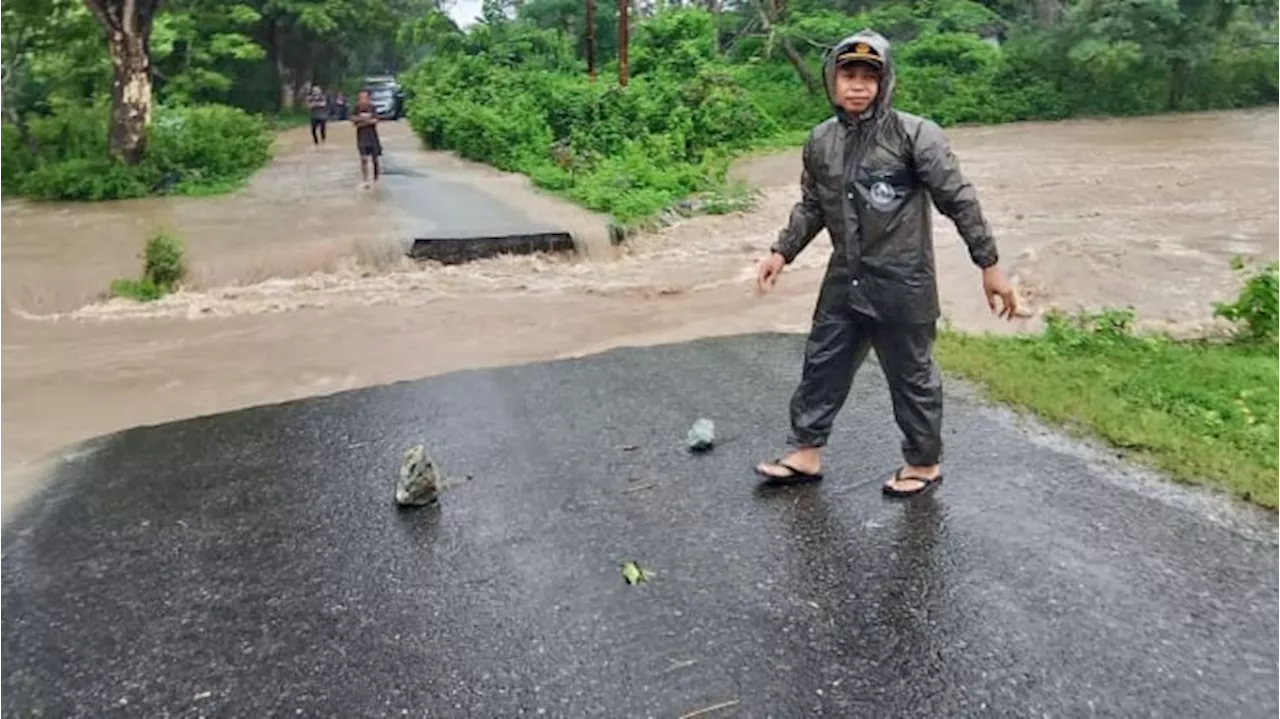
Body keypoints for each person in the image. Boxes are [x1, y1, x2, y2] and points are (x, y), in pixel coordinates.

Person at [753, 29, 1019, 498]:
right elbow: (813, 205)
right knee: (822, 362)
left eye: (868, 76)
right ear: (832, 80)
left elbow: (958, 200)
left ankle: (923, 462)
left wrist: (990, 264)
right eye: (847, 74)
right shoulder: (820, 141)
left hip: (903, 280)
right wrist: (781, 251)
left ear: (885, 82)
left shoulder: (915, 135)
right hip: (844, 275)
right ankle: (805, 452)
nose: (857, 85)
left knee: (910, 375)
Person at [351, 89, 382, 189]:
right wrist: (366, 120)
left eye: (365, 98)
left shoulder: (372, 107)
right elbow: (353, 121)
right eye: (360, 98)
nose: (362, 100)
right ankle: (365, 179)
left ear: (369, 98)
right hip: (361, 138)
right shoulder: (356, 108)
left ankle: (376, 179)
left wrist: (362, 121)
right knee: (363, 159)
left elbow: (375, 120)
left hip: (373, 137)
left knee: (375, 159)